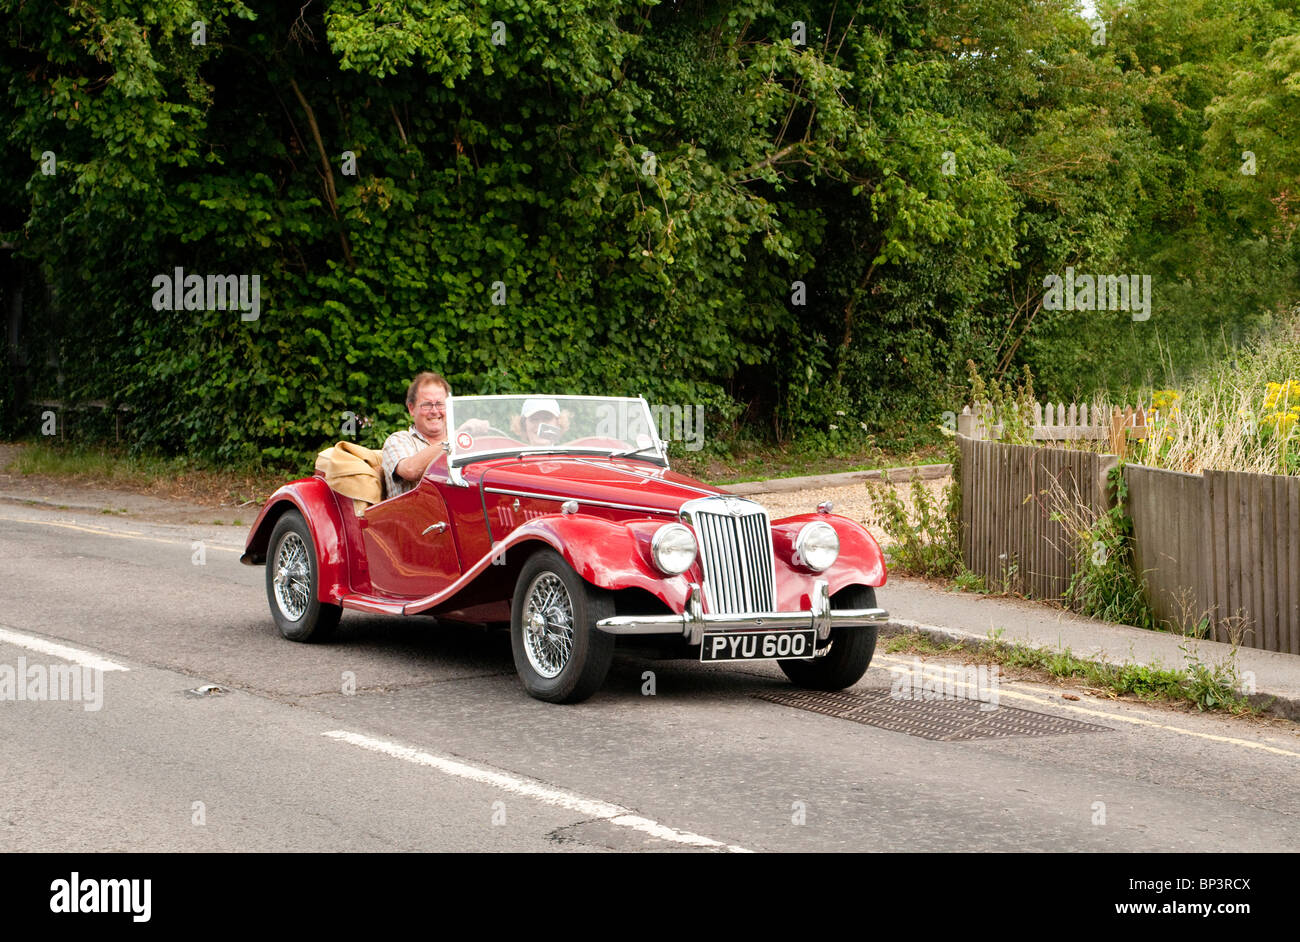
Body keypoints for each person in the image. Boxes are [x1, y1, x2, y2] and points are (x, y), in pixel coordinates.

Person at [381, 372, 452, 498]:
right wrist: (454, 439)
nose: (435, 411)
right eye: (427, 405)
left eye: (440, 404)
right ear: (411, 409)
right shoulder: (398, 440)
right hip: (412, 516)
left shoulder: (464, 441)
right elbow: (410, 470)